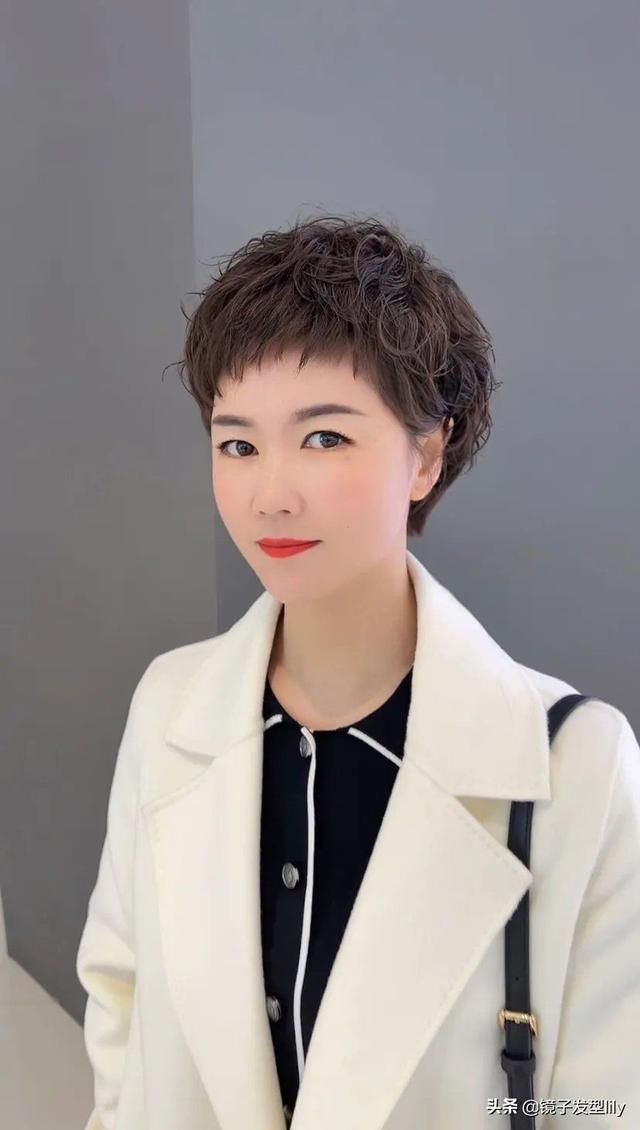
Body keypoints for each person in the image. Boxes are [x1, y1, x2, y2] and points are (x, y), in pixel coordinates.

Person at [76, 214, 640, 1130]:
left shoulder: (580, 766)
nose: (271, 494)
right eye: (237, 444)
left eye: (325, 438)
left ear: (427, 455)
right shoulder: (170, 706)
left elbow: (610, 1097)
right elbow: (118, 996)